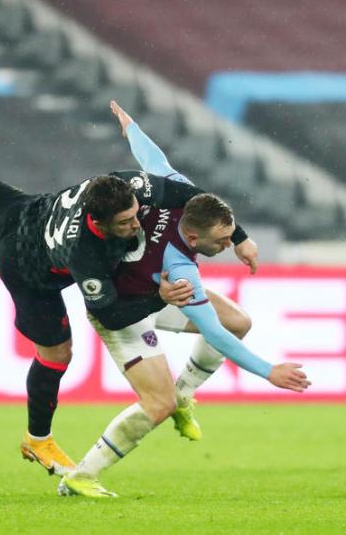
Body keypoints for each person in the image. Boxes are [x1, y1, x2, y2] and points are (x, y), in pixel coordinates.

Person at [0, 100, 260, 477]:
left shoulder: (127, 187)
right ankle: (38, 440)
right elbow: (110, 314)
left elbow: (189, 196)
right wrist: (158, 297)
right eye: (125, 224)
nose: (136, 224)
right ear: (99, 225)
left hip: (21, 209)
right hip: (29, 272)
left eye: (135, 215)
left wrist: (238, 235)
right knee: (57, 355)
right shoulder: (85, 253)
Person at [57, 102, 310, 498]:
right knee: (158, 404)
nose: (227, 246)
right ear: (194, 240)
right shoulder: (182, 268)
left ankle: (186, 395)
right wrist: (268, 372)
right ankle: (82, 475)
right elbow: (214, 335)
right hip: (121, 313)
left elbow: (153, 159)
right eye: (222, 242)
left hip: (156, 295)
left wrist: (132, 128)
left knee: (238, 321)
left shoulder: (177, 194)